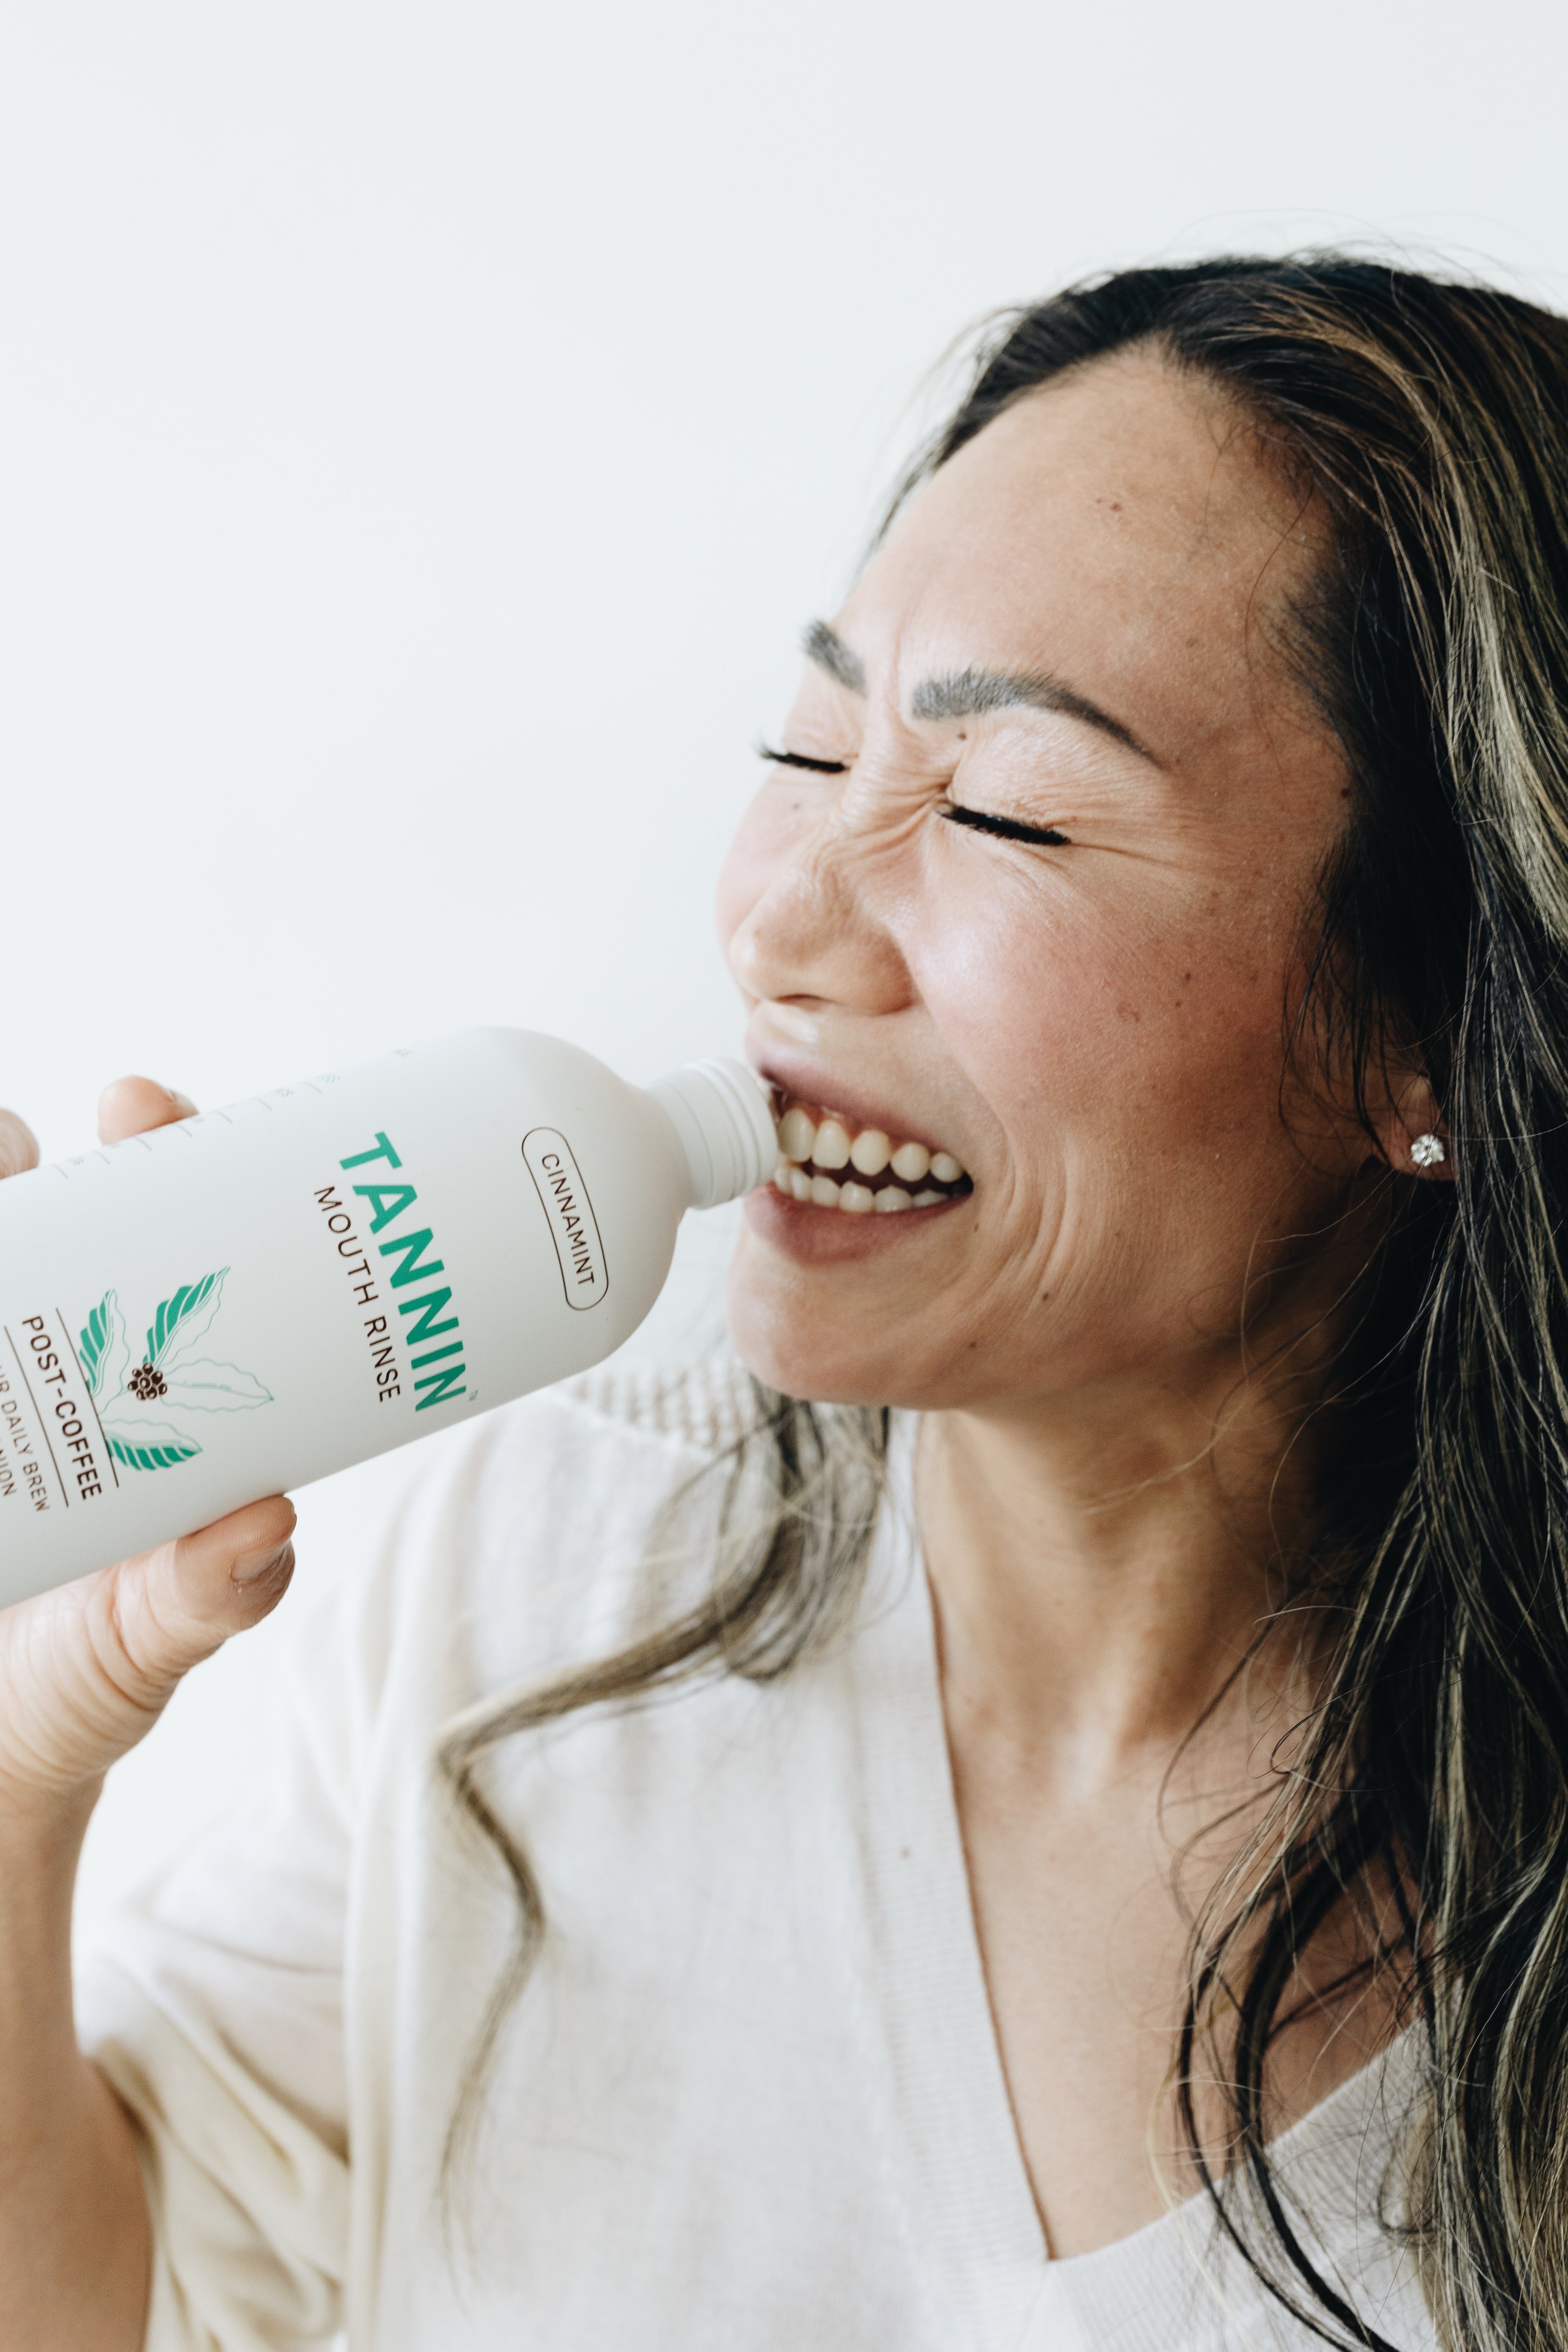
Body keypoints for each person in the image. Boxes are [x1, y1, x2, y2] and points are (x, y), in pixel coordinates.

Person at [3, 253, 1567, 2352]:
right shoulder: (533, 1568)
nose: (785, 910)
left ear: (1437, 1029)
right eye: (807, 743)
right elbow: (119, 2305)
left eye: (1003, 804)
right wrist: (20, 1781)